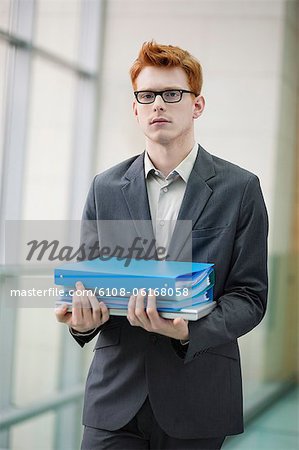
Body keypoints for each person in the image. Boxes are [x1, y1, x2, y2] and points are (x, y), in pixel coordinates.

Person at [55, 41, 268, 450]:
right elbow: (91, 284)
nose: (158, 105)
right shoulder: (105, 188)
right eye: (147, 96)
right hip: (115, 396)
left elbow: (250, 296)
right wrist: (83, 322)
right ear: (135, 108)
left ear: (197, 105)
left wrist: (189, 330)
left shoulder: (240, 190)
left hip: (198, 396)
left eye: (172, 94)